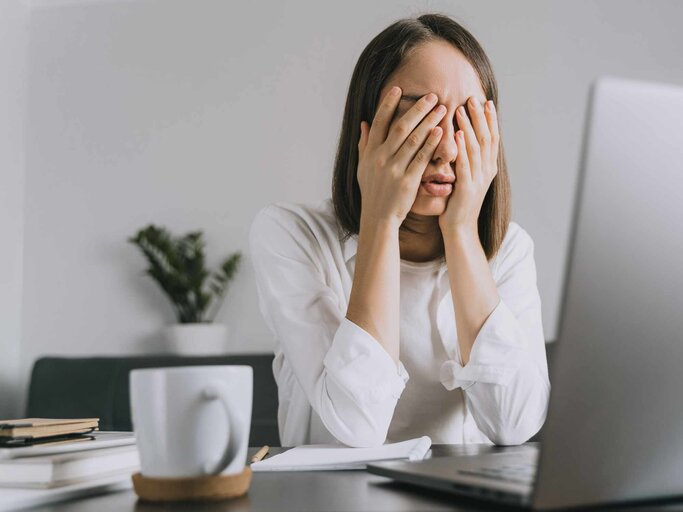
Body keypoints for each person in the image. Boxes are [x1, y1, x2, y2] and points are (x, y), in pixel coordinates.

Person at [249, 13, 550, 448]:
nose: (446, 148)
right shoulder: (290, 236)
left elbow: (515, 425)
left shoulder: (510, 251)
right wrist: (380, 219)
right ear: (367, 128)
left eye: (466, 119)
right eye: (421, 118)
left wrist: (463, 230)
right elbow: (357, 427)